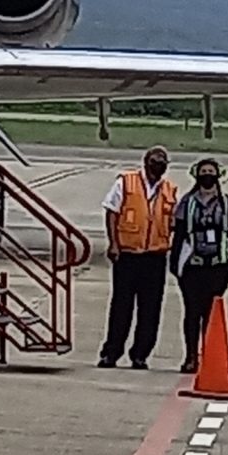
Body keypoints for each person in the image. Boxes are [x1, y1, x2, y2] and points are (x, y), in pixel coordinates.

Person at [96, 146, 179, 370]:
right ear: (145, 161)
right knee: (121, 307)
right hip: (128, 254)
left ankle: (140, 354)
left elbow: (172, 222)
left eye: (163, 161)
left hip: (155, 256)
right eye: (155, 160)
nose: (158, 164)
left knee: (150, 309)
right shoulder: (126, 182)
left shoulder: (170, 190)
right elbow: (112, 212)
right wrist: (113, 243)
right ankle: (111, 353)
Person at [170, 158, 228, 377]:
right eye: (204, 172)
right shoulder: (187, 202)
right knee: (192, 312)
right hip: (193, 266)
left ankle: (208, 356)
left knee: (211, 314)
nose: (207, 175)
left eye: (211, 172)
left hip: (217, 266)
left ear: (218, 175)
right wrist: (175, 262)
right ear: (196, 175)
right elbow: (179, 233)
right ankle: (191, 356)